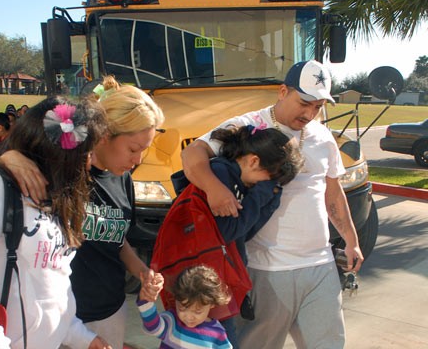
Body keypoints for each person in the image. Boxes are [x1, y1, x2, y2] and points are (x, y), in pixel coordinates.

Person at [181, 60, 364, 348]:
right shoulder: (247, 125)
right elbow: (193, 154)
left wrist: (351, 240)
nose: (310, 113)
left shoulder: (324, 136)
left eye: (317, 106)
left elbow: (333, 193)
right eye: (304, 102)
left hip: (320, 265)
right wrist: (214, 189)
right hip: (265, 269)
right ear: (282, 91)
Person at [0, 76, 165, 348]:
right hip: (57, 316)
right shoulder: (62, 172)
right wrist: (8, 159)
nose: (138, 161)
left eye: (144, 151)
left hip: (109, 311)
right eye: (134, 149)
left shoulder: (122, 178)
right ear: (104, 135)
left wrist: (142, 272)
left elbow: (116, 237)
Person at [0, 96, 112, 348]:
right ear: (58, 153)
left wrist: (81, 336)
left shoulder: (53, 195)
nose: (89, 163)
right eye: (85, 154)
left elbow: (53, 281)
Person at [171, 125, 303, 347]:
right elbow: (226, 232)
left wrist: (268, 202)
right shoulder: (221, 174)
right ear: (252, 161)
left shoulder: (242, 182)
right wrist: (260, 195)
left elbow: (245, 232)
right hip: (198, 285)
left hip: (218, 280)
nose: (267, 185)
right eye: (269, 179)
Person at [137, 265, 232, 348]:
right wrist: (146, 300)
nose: (189, 317)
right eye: (182, 308)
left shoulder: (218, 334)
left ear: (211, 304)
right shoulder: (172, 321)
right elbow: (152, 327)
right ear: (176, 299)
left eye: (197, 312)